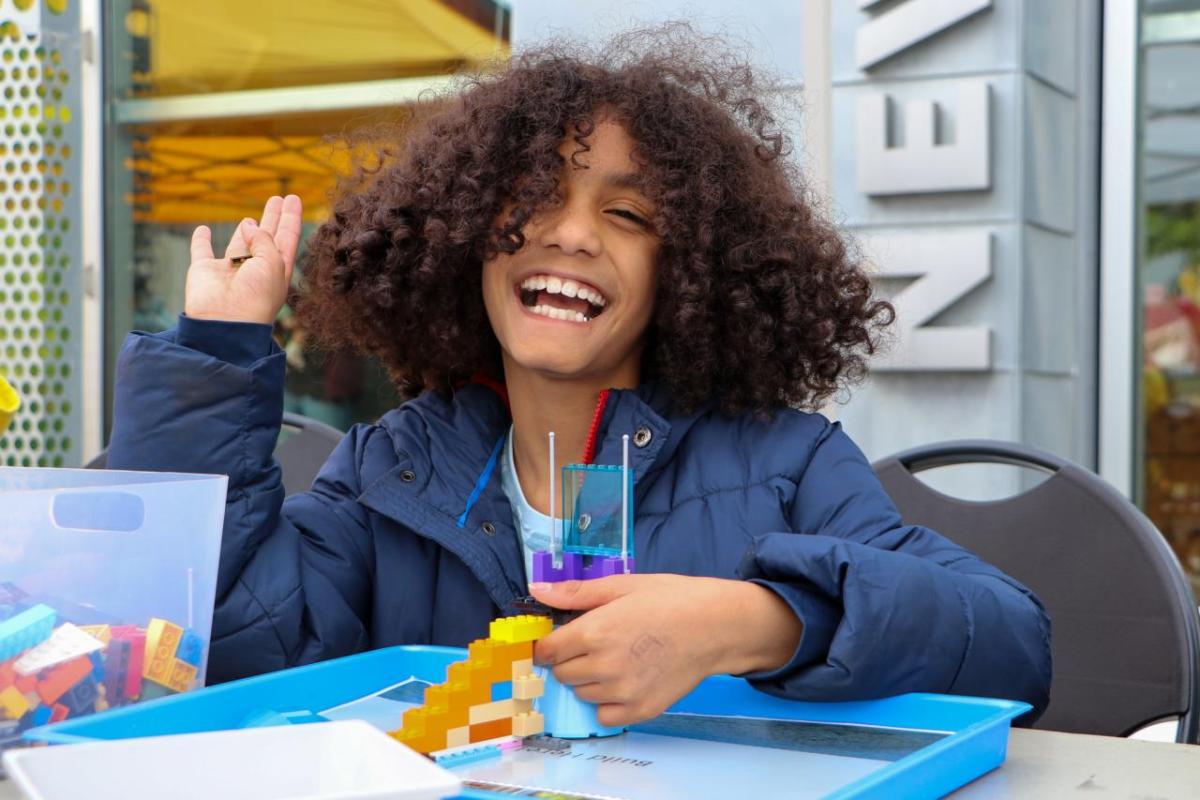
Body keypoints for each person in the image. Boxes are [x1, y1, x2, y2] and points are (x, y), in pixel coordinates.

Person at [108, 29, 1051, 727]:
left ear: (689, 274)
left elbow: (1013, 641)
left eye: (629, 213)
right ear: (466, 234)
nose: (571, 231)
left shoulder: (789, 466)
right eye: (533, 197)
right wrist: (220, 354)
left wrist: (759, 620)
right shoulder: (390, 469)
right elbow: (214, 644)